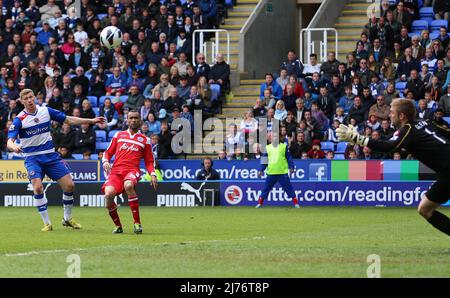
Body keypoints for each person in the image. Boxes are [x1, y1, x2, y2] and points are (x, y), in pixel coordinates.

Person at [337, 99, 450, 245]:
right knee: (424, 208)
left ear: (401, 116)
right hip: (446, 173)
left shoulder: (408, 130)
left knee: (425, 209)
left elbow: (389, 146)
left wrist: (359, 139)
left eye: (392, 112)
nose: (389, 115)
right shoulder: (426, 122)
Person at [7, 89, 105, 231]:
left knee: (69, 186)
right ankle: (47, 223)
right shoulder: (19, 120)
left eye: (31, 97)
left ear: (34, 97)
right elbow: (9, 141)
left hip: (51, 156)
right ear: (22, 101)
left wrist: (90, 120)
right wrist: (14, 146)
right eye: (26, 98)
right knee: (38, 187)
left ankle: (67, 219)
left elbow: (69, 119)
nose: (29, 100)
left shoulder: (46, 111)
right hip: (33, 158)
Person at [102, 110, 158, 234]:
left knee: (128, 185)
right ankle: (118, 226)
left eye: (136, 118)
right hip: (116, 172)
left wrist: (152, 174)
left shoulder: (145, 140)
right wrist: (105, 161)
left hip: (132, 170)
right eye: (131, 118)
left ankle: (137, 223)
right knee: (108, 195)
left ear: (140, 120)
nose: (133, 120)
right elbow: (108, 152)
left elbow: (149, 161)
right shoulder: (119, 135)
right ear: (127, 120)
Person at [256, 130, 300, 208]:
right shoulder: (267, 147)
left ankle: (296, 203)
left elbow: (289, 158)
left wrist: (291, 167)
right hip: (271, 172)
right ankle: (260, 203)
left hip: (282, 172)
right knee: (265, 189)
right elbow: (264, 160)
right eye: (271, 137)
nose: (272, 138)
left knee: (289, 188)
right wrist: (261, 170)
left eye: (274, 136)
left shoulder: (283, 146)